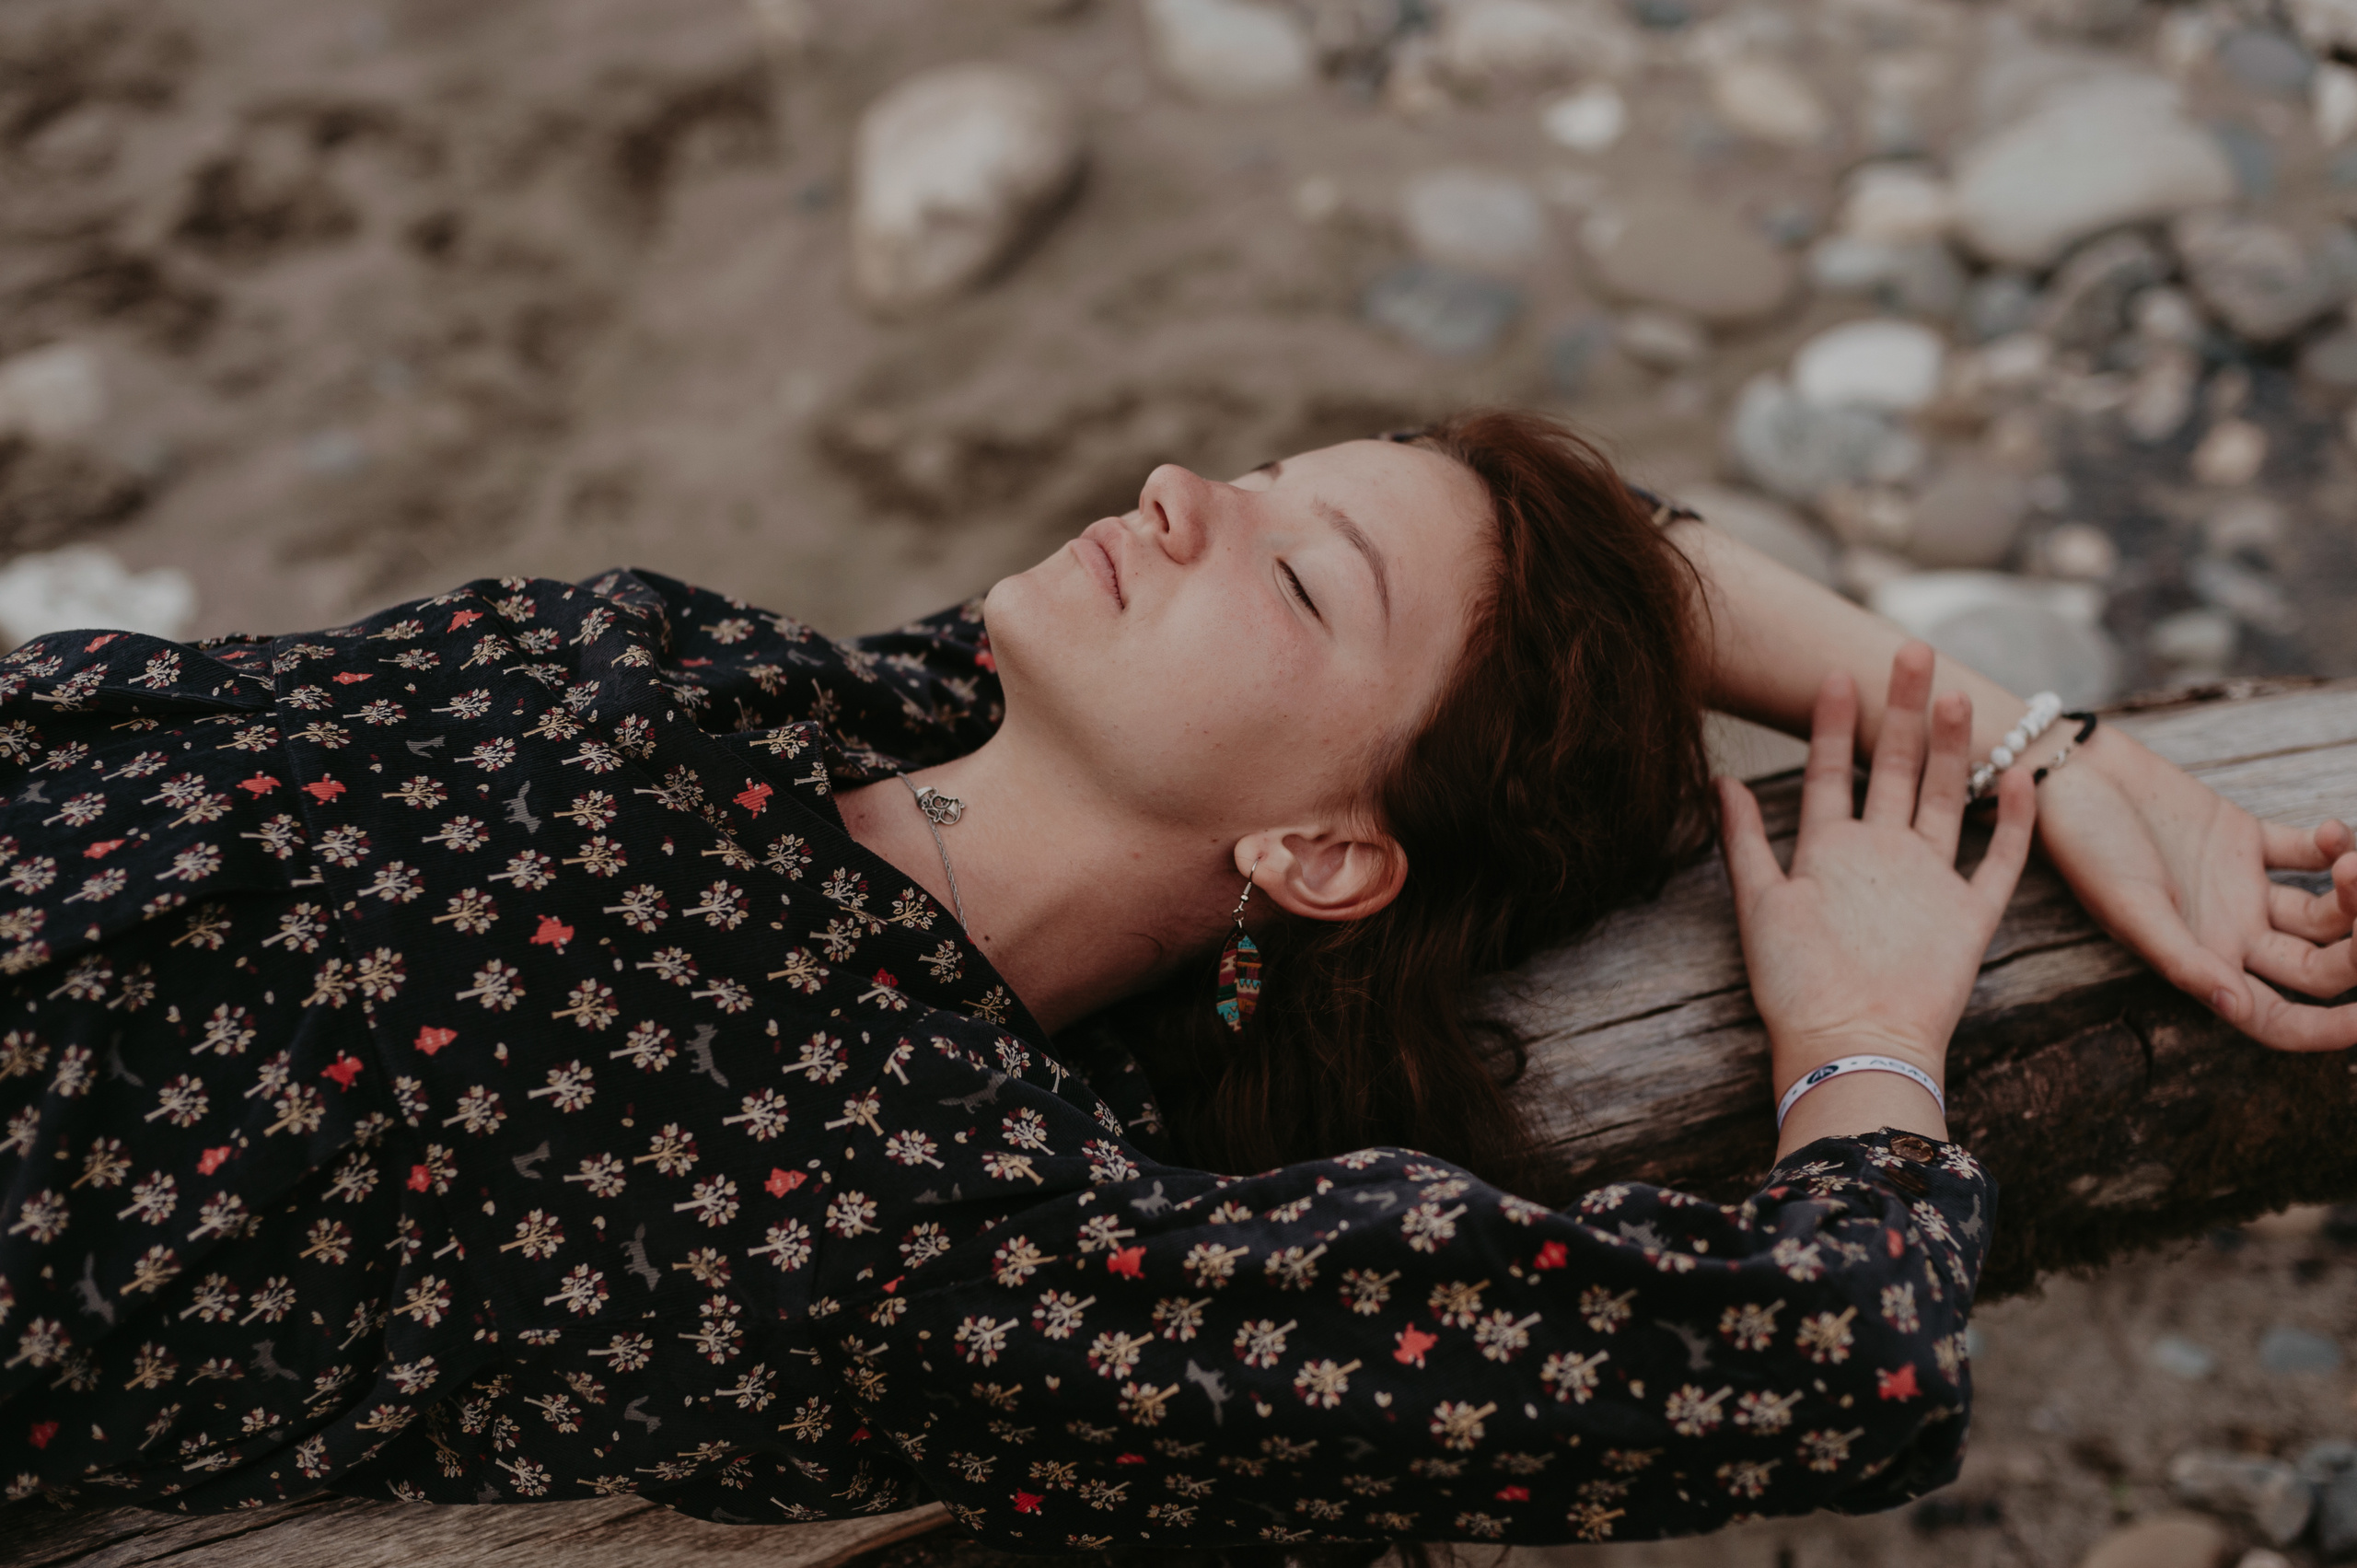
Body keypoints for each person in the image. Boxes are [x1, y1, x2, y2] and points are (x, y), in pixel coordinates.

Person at [0, 410, 2351, 1547]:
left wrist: (1857, 1029)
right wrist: (2048, 737)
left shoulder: (915, 1213)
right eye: (1246, 466)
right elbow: (1619, 550)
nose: (1168, 486)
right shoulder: (860, 712)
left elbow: (1825, 1365)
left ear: (1319, 851)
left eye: (1292, 575)